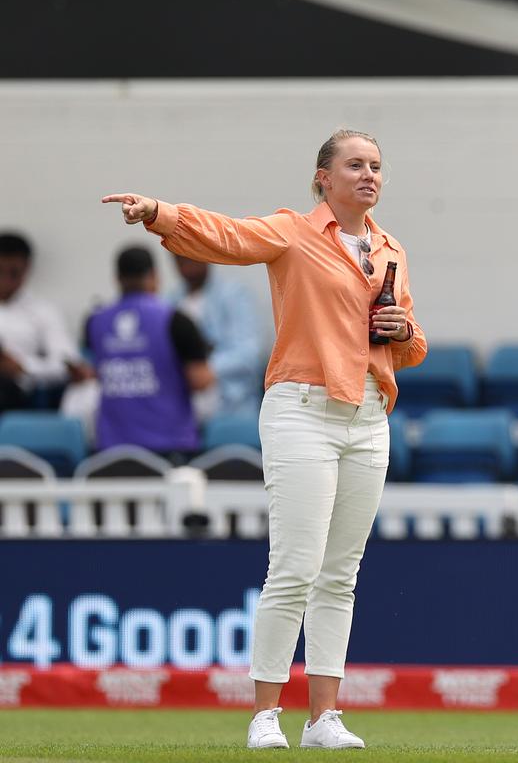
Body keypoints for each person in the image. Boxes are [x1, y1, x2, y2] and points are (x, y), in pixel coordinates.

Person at [102, 127, 427, 750]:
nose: (369, 175)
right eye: (355, 165)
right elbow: (226, 236)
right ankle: (265, 714)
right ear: (322, 179)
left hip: (367, 413)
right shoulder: (293, 231)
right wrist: (159, 213)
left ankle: (324, 718)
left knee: (340, 573)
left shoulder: (391, 251)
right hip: (302, 407)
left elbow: (410, 348)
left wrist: (403, 326)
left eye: (377, 166)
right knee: (295, 567)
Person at [84, 246, 212, 461]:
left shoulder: (94, 322)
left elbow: (93, 370)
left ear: (117, 278)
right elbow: (201, 381)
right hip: (169, 446)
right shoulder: (176, 320)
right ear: (154, 276)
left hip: (111, 448)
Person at [169, 255, 265, 418]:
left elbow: (250, 354)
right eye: (177, 254)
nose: (185, 257)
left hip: (232, 411)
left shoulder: (233, 295)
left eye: (189, 251)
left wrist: (208, 370)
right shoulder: (171, 302)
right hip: (183, 416)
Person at [0, 232, 80, 410]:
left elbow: (66, 363)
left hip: (14, 393)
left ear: (26, 269)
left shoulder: (42, 312)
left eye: (13, 273)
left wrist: (23, 367)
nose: (5, 280)